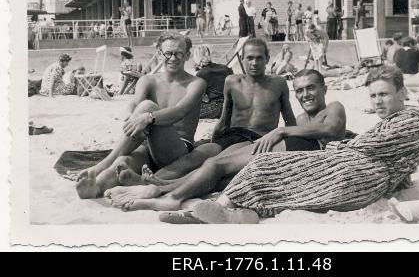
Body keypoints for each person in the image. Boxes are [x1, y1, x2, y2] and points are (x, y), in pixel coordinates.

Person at [183, 66, 419, 223]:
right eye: (373, 96)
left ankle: (223, 208)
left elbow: (373, 146)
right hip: (359, 173)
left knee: (272, 166)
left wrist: (341, 145)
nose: (377, 102)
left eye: (383, 94)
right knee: (278, 171)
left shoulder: (409, 121)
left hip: (359, 176)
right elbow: (385, 150)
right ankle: (240, 212)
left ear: (402, 92)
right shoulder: (393, 122)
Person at [106, 68, 348, 214]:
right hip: (288, 160)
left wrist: (282, 131)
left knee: (214, 165)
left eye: (311, 88)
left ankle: (170, 197)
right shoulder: (303, 118)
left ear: (324, 89)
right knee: (222, 178)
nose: (305, 95)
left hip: (298, 154)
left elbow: (333, 130)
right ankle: (158, 188)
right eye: (300, 90)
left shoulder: (334, 107)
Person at [104, 38, 300, 211]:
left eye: (259, 58)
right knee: (194, 157)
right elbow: (225, 116)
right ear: (242, 58)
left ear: (267, 58)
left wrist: (288, 138)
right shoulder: (232, 81)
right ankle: (148, 183)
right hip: (230, 135)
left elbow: (289, 118)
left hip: (256, 138)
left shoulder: (278, 83)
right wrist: (215, 138)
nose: (254, 63)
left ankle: (162, 187)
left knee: (211, 165)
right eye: (249, 58)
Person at [74, 32, 206, 199]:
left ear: (187, 55)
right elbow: (133, 104)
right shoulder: (148, 80)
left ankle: (100, 165)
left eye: (178, 53)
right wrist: (131, 115)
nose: (173, 58)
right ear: (159, 54)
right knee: (123, 163)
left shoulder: (196, 83)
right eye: (168, 53)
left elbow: (179, 111)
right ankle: (96, 187)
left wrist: (147, 117)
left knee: (148, 106)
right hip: (146, 145)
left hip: (176, 150)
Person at [193, 45, 233, 119]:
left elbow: (204, 98)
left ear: (196, 58)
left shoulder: (201, 73)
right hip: (232, 103)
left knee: (189, 111)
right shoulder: (225, 67)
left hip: (218, 107)